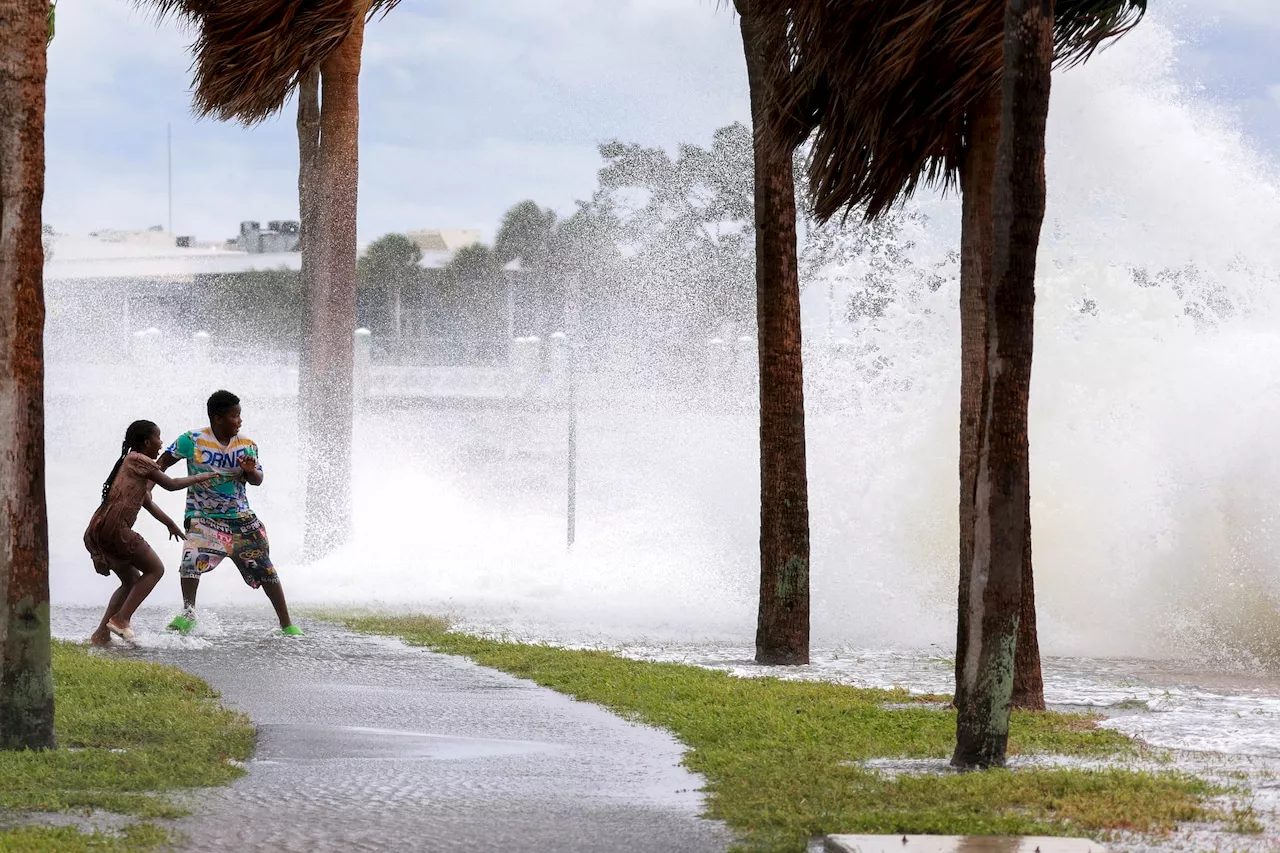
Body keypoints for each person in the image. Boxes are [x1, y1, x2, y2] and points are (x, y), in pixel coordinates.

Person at [159, 390, 303, 636]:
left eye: (240, 416)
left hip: (241, 519)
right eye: (235, 416)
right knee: (191, 557)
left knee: (266, 569)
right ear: (218, 418)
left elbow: (257, 480)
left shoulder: (246, 445)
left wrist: (249, 471)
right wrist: (145, 489)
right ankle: (188, 614)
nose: (240, 421)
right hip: (203, 516)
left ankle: (286, 624)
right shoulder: (191, 440)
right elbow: (160, 465)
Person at [85, 420, 220, 643]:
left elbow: (147, 501)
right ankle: (121, 619)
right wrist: (199, 477)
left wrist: (169, 524)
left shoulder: (129, 463)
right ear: (147, 442)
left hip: (100, 528)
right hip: (117, 529)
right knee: (155, 569)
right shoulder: (140, 460)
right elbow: (171, 484)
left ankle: (101, 634)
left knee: (130, 581)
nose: (161, 443)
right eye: (158, 438)